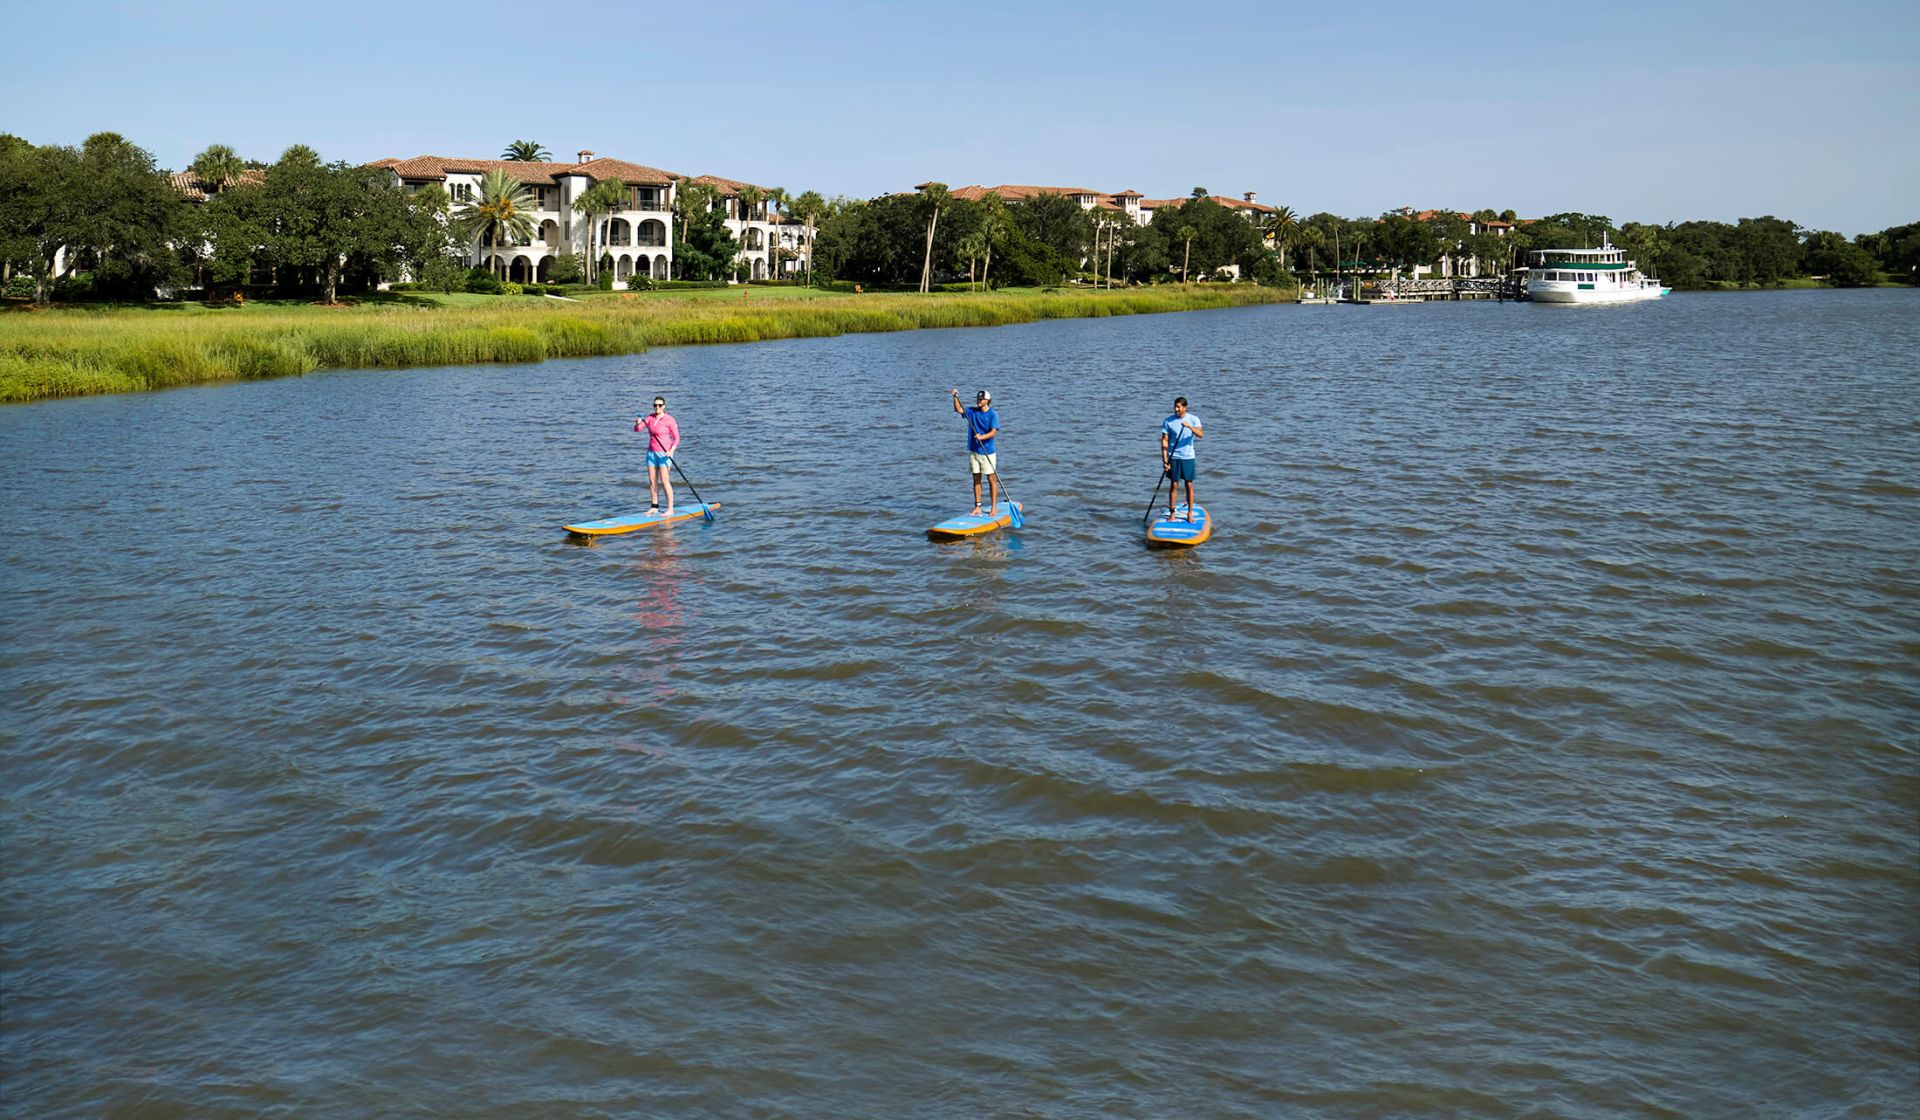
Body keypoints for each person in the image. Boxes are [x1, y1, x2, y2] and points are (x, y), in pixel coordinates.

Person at [951, 388, 1000, 516]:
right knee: (976, 479)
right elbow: (959, 410)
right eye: (978, 399)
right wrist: (955, 398)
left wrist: (982, 437)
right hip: (974, 451)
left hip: (987, 452)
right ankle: (978, 506)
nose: (978, 401)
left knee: (991, 479)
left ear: (987, 401)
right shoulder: (972, 412)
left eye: (981, 399)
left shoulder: (993, 415)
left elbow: (994, 432)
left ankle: (994, 508)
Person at [1160, 396, 1204, 521]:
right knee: (1174, 484)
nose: (1176, 409)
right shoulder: (1168, 421)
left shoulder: (1194, 419)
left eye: (1179, 407)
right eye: (1175, 407)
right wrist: (1165, 460)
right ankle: (1172, 512)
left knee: (1189, 484)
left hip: (1188, 457)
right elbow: (1164, 441)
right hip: (1173, 456)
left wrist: (1190, 427)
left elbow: (1201, 435)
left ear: (1185, 407)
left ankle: (1190, 513)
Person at [635, 395, 680, 515]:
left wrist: (671, 450)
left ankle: (670, 509)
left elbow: (676, 439)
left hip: (664, 454)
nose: (657, 407)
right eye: (655, 405)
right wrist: (637, 423)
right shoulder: (650, 418)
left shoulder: (670, 420)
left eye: (660, 405)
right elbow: (638, 429)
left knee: (665, 480)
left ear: (664, 406)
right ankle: (654, 506)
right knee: (652, 480)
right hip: (651, 453)